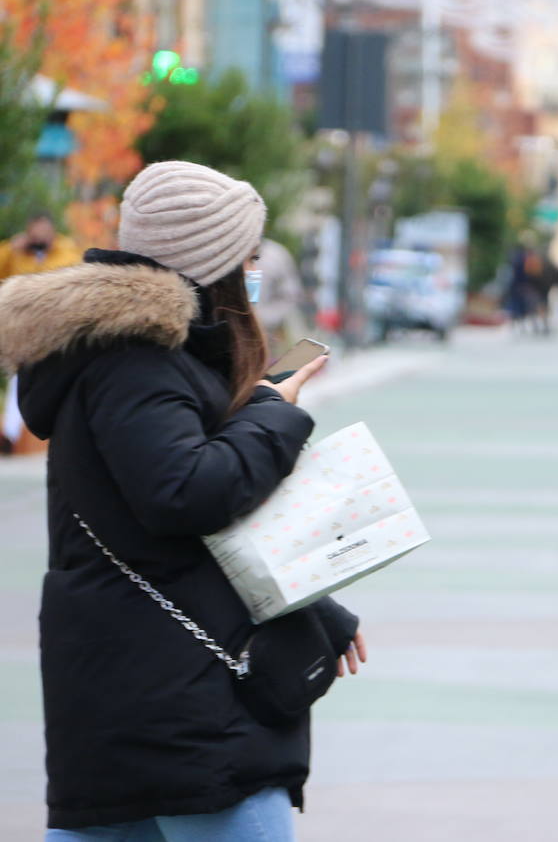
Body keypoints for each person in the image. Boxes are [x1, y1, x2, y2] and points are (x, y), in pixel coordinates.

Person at [0, 161, 366, 840]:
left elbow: (173, 532)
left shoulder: (144, 355)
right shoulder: (136, 360)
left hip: (141, 683)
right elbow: (186, 495)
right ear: (209, 261)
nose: (257, 269)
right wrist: (271, 410)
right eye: (247, 254)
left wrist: (316, 606)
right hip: (181, 701)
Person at [0, 211, 84, 454]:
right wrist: (11, 248)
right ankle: (10, 434)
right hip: (24, 329)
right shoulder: (17, 253)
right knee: (20, 378)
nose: (39, 235)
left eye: (43, 230)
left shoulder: (67, 251)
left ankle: (62, 432)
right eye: (34, 231)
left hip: (57, 329)